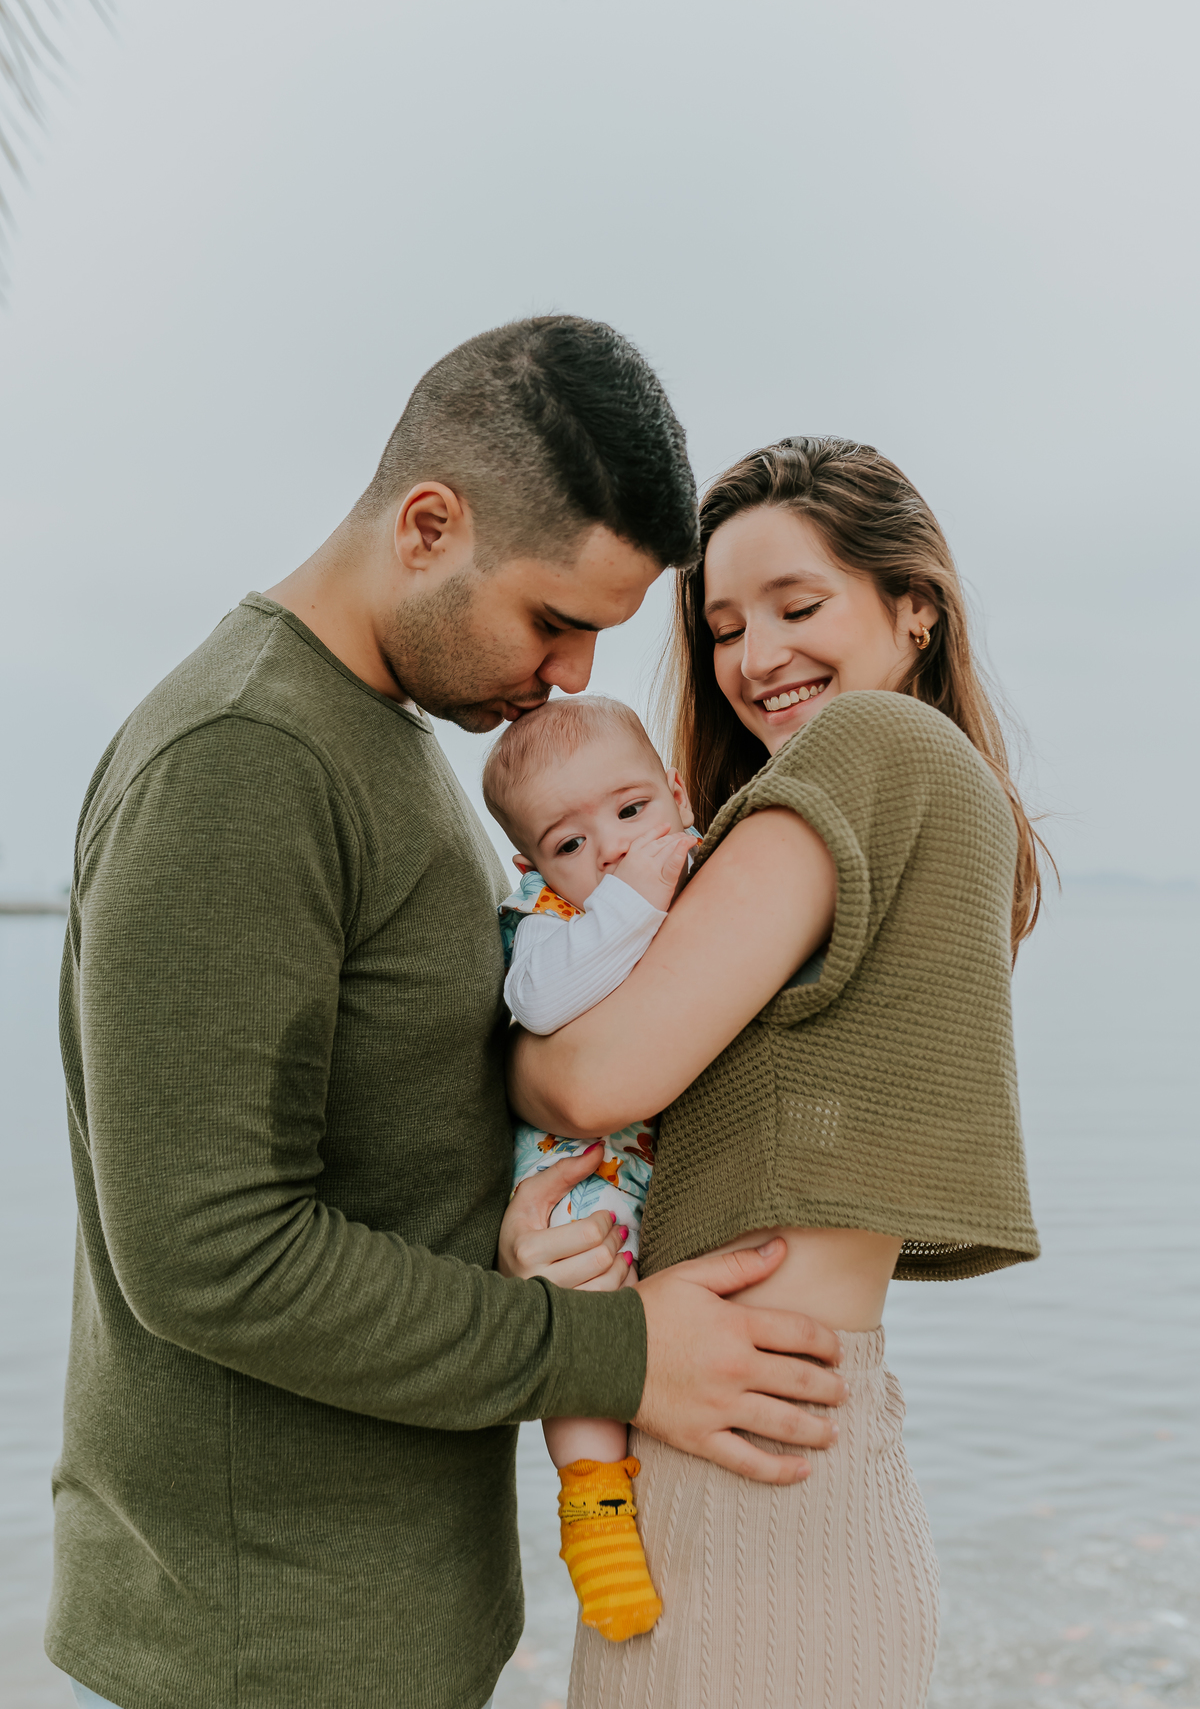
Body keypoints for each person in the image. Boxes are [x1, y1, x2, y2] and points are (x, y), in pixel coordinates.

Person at [47, 323, 848, 1709]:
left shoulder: (401, 743)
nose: (580, 675)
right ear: (429, 525)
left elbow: (411, 1128)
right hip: (254, 1654)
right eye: (555, 619)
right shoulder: (241, 761)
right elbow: (208, 1253)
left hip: (383, 1623)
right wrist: (618, 1349)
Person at [506, 436, 1044, 1709]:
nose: (756, 659)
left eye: (800, 608)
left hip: (757, 1465)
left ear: (915, 607)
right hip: (748, 1437)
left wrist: (531, 1072)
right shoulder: (899, 800)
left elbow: (597, 1083)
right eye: (726, 627)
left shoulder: (869, 748)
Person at [482, 695, 699, 1641]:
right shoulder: (550, 922)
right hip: (585, 1177)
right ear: (534, 865)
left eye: (629, 811)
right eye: (571, 842)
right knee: (582, 1330)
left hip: (676, 1175)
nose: (609, 850)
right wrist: (630, 901)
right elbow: (539, 1003)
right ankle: (594, 1511)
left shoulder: (717, 878)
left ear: (676, 794)